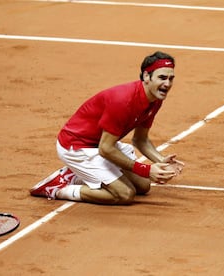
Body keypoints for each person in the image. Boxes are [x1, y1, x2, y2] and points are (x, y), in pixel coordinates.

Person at [30, 51, 184, 205]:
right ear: (146, 77)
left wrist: (161, 160)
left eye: (171, 79)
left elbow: (140, 139)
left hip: (101, 143)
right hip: (77, 146)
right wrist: (146, 169)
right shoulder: (123, 101)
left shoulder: (155, 99)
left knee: (143, 186)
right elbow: (106, 149)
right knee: (124, 194)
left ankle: (76, 174)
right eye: (162, 78)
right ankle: (58, 188)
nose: (167, 84)